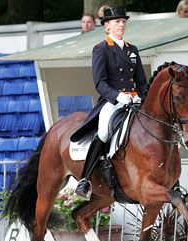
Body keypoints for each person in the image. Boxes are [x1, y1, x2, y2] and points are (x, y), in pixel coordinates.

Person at [71, 7, 147, 201]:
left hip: (134, 100)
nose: (121, 25)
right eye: (116, 22)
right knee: (104, 132)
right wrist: (118, 96)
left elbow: (141, 82)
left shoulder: (133, 49)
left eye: (123, 21)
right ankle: (85, 180)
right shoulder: (101, 48)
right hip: (113, 101)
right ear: (107, 26)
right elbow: (99, 83)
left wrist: (144, 97)